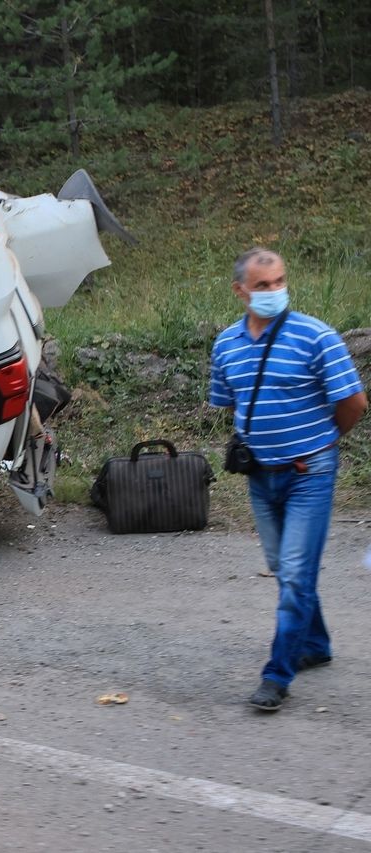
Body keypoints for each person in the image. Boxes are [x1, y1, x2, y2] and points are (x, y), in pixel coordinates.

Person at [209, 247, 366, 712]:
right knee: (285, 570)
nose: (275, 291)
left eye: (280, 282)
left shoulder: (317, 336)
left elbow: (354, 404)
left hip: (310, 475)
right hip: (260, 476)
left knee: (295, 575)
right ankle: (315, 645)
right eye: (263, 286)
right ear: (241, 291)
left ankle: (277, 675)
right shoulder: (226, 345)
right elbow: (230, 403)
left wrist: (318, 446)